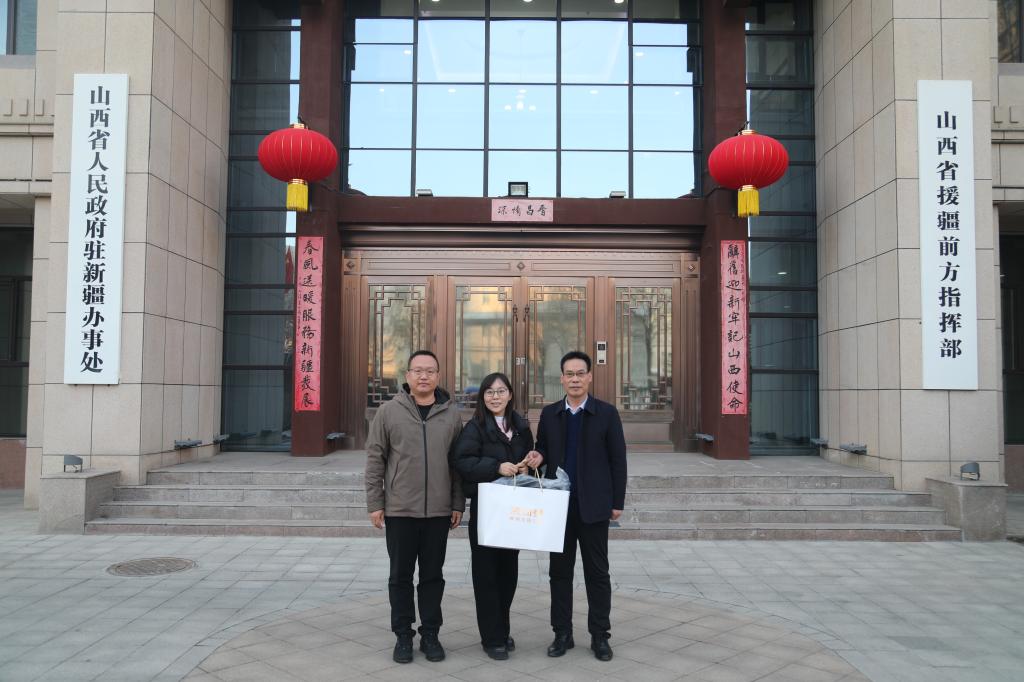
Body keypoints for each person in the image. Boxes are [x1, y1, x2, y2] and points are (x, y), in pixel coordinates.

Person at [364, 350, 465, 664]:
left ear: (438, 376)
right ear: (407, 375)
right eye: (418, 370)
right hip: (400, 510)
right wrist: (375, 502)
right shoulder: (388, 412)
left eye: (430, 371)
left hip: (438, 511)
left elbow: (457, 464)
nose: (424, 376)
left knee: (433, 576)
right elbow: (375, 459)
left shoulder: (451, 414)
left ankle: (431, 634)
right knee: (400, 576)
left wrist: (457, 502)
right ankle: (403, 636)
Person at [529, 350, 627, 662]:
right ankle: (562, 633)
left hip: (594, 505)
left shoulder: (606, 414)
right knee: (559, 573)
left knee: (597, 573)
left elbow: (618, 460)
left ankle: (600, 636)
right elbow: (543, 448)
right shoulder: (550, 414)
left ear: (589, 377)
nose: (574, 379)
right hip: (558, 506)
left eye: (580, 373)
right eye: (569, 374)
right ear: (561, 378)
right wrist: (538, 456)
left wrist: (617, 501)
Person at [452, 372, 542, 661]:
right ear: (483, 397)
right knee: (486, 574)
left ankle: (502, 629)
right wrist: (496, 467)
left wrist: (527, 465)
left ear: (510, 395)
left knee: (508, 573)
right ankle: (491, 638)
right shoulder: (475, 428)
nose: (495, 397)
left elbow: (531, 459)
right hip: (488, 510)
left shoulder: (521, 426)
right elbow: (462, 462)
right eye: (489, 392)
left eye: (501, 391)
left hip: (513, 510)